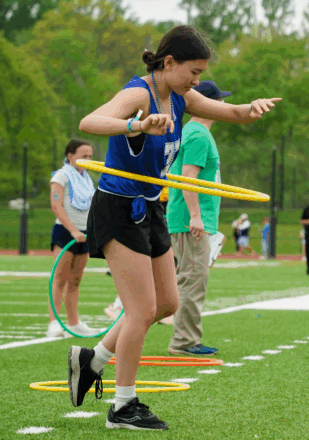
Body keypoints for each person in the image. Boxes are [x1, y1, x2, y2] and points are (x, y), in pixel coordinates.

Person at [70, 25, 280, 431]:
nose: (197, 81)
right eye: (194, 71)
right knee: (141, 310)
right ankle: (123, 406)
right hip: (118, 205)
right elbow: (89, 121)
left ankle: (91, 359)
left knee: (167, 303)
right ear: (169, 63)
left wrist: (249, 109)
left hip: (150, 208)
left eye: (201, 74)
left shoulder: (182, 96)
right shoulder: (138, 94)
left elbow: (231, 113)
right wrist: (137, 125)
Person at [165, 79, 230, 357]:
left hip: (191, 218)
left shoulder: (195, 132)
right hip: (189, 219)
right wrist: (195, 217)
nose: (224, 104)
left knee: (189, 278)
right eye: (219, 100)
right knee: (193, 279)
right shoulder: (198, 135)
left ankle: (185, 338)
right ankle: (184, 342)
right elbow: (188, 178)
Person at [47, 139, 99, 337]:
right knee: (59, 278)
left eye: (89, 157)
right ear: (70, 156)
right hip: (65, 233)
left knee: (75, 280)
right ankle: (54, 322)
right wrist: (73, 231)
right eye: (82, 156)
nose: (87, 160)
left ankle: (73, 323)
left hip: (84, 234)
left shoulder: (86, 178)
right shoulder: (61, 176)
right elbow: (56, 205)